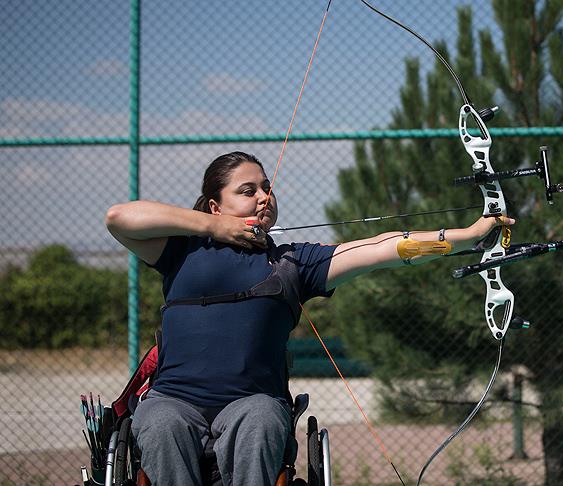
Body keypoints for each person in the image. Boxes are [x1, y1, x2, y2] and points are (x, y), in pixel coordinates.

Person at [104, 151, 513, 485]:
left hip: (251, 402)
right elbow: (119, 217)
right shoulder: (180, 252)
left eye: (266, 187)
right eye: (248, 191)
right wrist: (213, 227)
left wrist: (469, 235)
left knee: (262, 418)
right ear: (216, 204)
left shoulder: (293, 262)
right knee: (158, 422)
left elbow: (385, 248)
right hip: (175, 400)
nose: (264, 196)